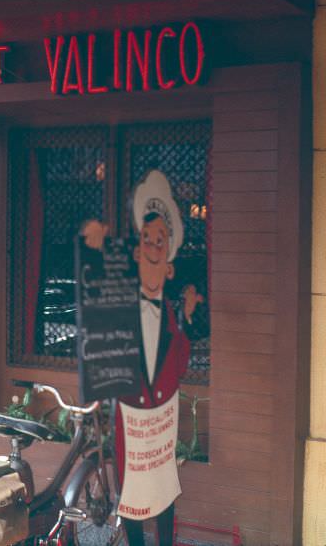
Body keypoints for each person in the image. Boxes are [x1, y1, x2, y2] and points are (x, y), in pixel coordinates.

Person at [83, 169, 207, 545]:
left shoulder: (170, 315)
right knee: (132, 494)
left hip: (162, 418)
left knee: (163, 491)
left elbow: (179, 363)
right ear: (136, 254)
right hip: (131, 416)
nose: (153, 249)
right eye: (148, 242)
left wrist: (187, 320)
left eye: (161, 243)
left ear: (169, 263)